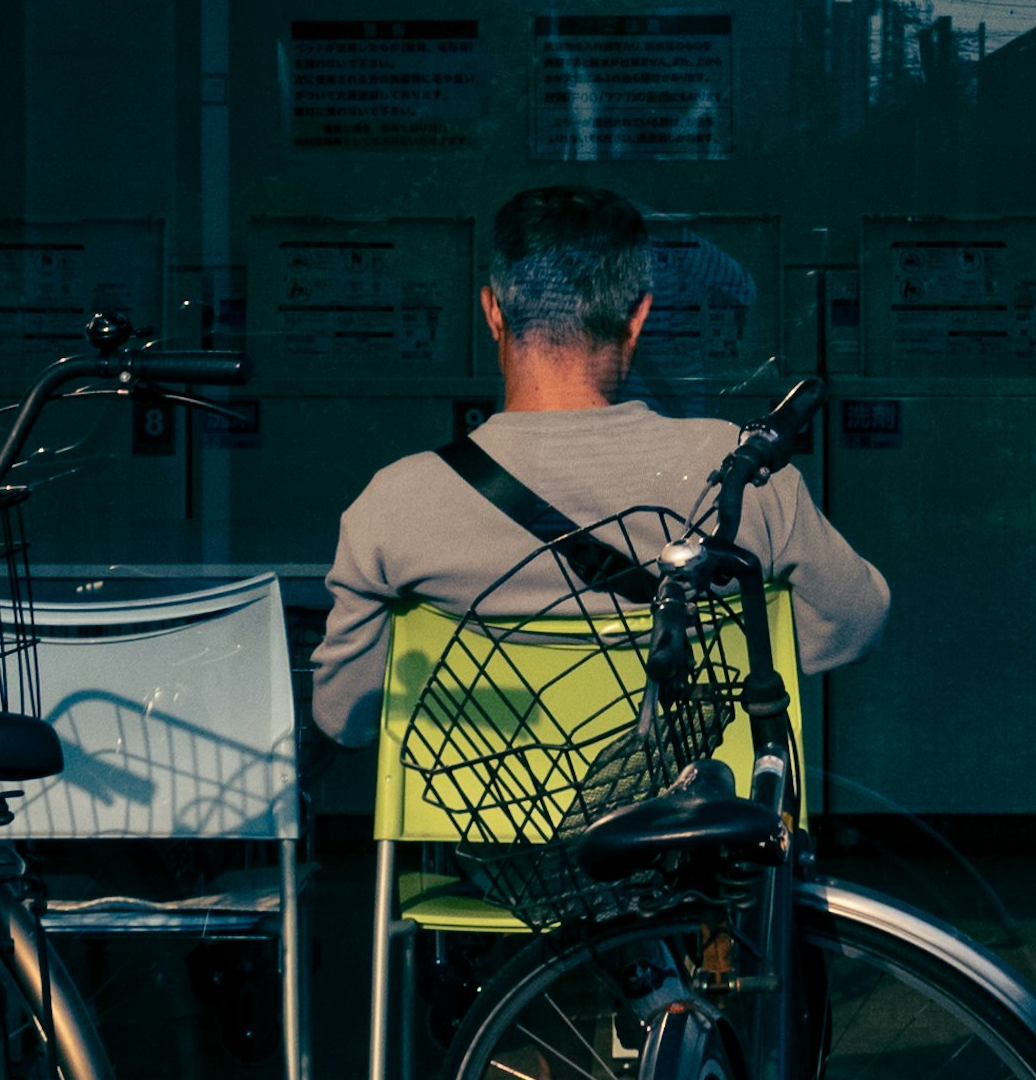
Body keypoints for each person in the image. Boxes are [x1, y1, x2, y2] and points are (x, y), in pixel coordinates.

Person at [308, 179, 889, 745]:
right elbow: (853, 626)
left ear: (492, 311)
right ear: (639, 317)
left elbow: (345, 717)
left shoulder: (397, 502)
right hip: (696, 813)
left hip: (487, 821)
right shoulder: (743, 474)